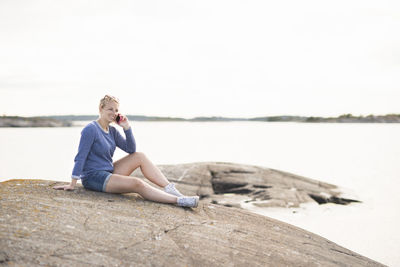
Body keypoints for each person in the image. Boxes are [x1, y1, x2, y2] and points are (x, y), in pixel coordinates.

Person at [53, 95, 199, 208]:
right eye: (110, 109)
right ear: (101, 109)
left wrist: (126, 128)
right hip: (93, 177)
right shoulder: (90, 129)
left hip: (108, 172)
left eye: (116, 110)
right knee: (137, 183)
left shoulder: (112, 131)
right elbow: (81, 156)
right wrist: (72, 183)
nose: (114, 113)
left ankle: (170, 189)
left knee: (139, 156)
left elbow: (131, 150)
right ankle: (179, 200)